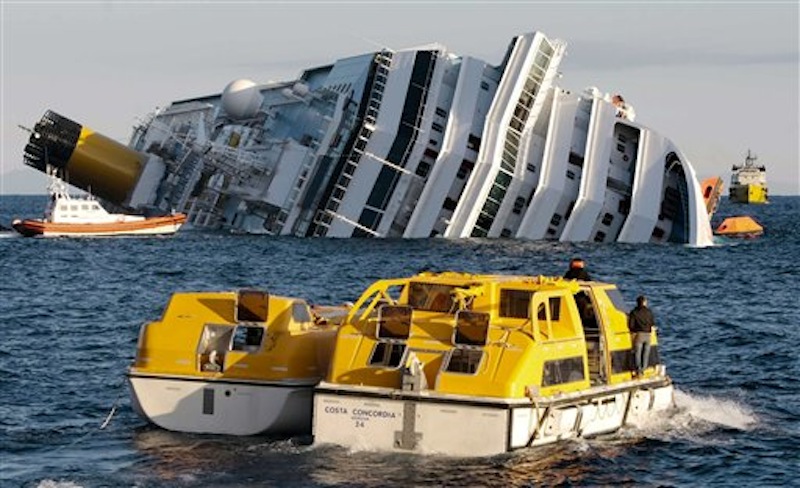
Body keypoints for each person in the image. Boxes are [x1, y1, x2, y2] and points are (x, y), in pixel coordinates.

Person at [628, 295, 655, 376]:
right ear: (644, 302)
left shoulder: (634, 312)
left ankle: (638, 370)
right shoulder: (649, 312)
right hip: (648, 335)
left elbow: (631, 325)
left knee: (637, 353)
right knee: (646, 353)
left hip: (639, 335)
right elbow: (652, 323)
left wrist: (634, 330)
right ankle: (644, 369)